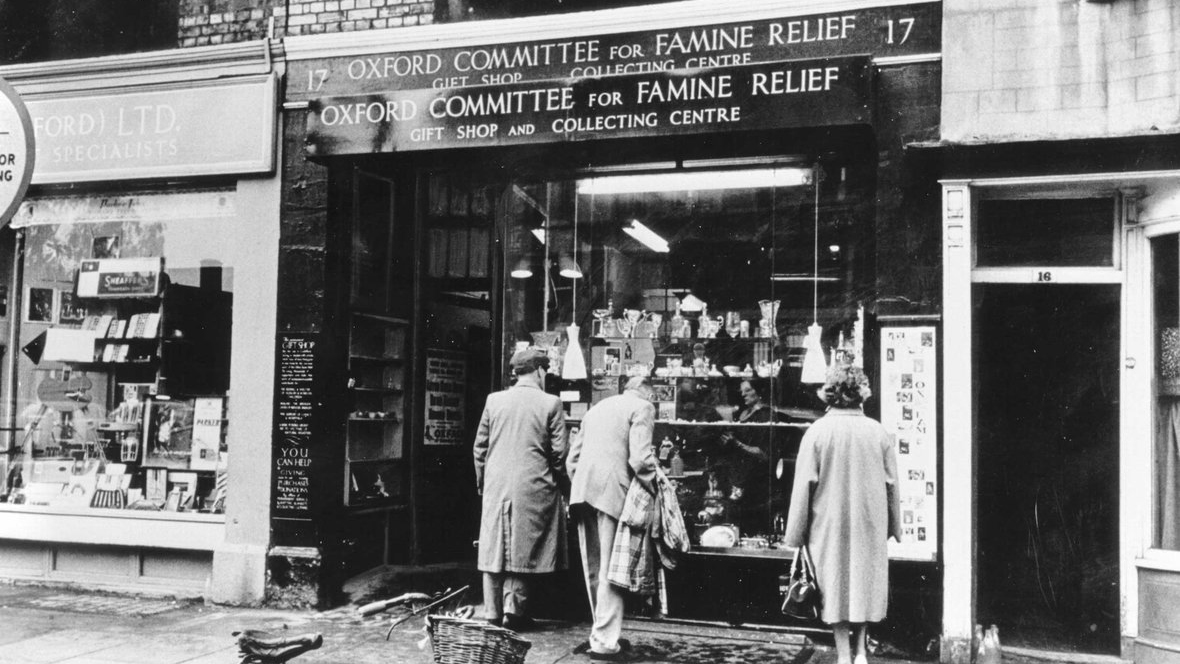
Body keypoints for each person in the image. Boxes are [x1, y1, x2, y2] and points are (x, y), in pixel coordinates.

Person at [784, 364, 901, 664]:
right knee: (862, 583)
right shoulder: (878, 432)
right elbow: (891, 484)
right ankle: (861, 651)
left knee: (834, 586)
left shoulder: (817, 432)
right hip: (868, 522)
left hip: (828, 524)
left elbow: (803, 486)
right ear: (862, 393)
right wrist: (894, 526)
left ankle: (844, 655)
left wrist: (795, 533)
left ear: (829, 394)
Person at [473, 347, 569, 631]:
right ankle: (513, 613)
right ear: (539, 370)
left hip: (497, 483)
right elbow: (559, 454)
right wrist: (560, 483)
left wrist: (483, 484)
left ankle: (491, 612)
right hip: (534, 484)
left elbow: (480, 448)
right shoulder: (551, 403)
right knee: (524, 548)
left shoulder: (494, 400)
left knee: (494, 547)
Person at [567, 376, 658, 662]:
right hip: (613, 494)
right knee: (612, 569)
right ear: (647, 394)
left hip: (582, 492)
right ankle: (605, 643)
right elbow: (640, 459)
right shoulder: (643, 407)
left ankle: (601, 632)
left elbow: (572, 460)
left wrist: (584, 483)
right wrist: (657, 487)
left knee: (593, 568)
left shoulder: (597, 408)